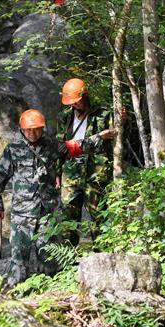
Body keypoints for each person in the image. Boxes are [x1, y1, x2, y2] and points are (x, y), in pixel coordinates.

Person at [0, 108, 116, 285]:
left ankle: (49, 292)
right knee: (19, 258)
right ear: (21, 130)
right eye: (28, 129)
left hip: (48, 213)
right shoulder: (13, 150)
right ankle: (14, 293)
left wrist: (100, 137)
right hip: (22, 215)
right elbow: (0, 177)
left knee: (49, 257)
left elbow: (77, 146)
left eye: (36, 129)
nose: (32, 133)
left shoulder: (52, 145)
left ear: (42, 128)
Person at [55, 78, 118, 245]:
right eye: (72, 103)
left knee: (98, 216)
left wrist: (124, 120)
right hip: (71, 171)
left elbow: (117, 137)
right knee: (68, 217)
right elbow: (60, 147)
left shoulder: (103, 114)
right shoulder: (64, 117)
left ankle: (101, 257)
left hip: (96, 171)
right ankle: (68, 261)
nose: (74, 105)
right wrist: (57, 172)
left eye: (77, 101)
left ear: (85, 96)